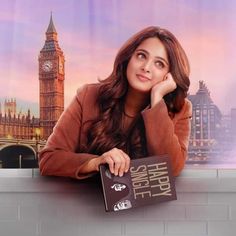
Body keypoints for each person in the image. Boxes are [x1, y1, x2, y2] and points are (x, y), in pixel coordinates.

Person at [39, 26, 192, 180]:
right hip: (83, 201)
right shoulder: (88, 96)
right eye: (141, 56)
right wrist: (95, 162)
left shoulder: (181, 109)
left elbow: (171, 168)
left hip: (146, 204)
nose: (146, 67)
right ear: (128, 58)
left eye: (159, 64)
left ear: (170, 75)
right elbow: (48, 159)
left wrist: (157, 99)